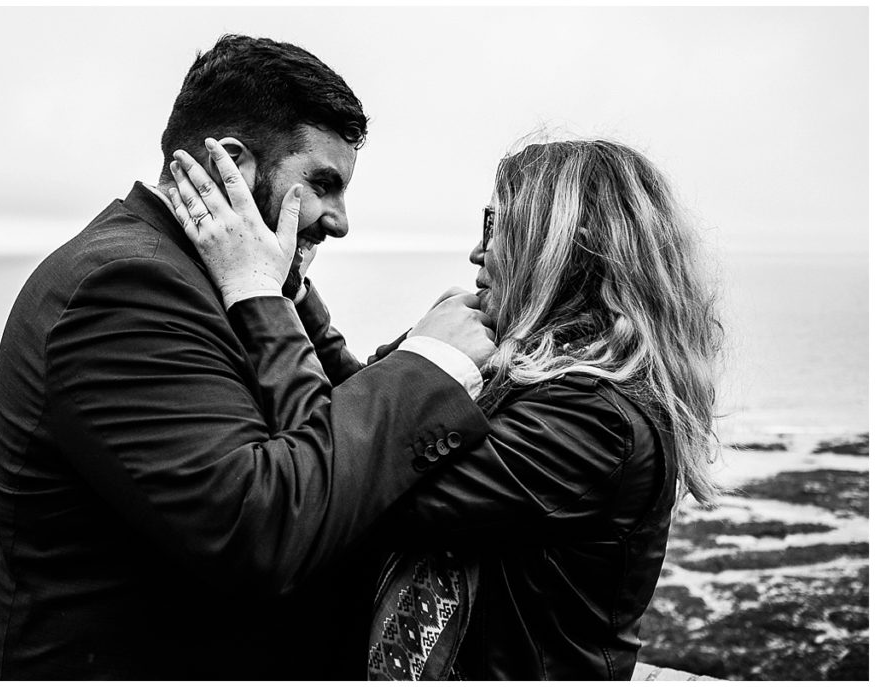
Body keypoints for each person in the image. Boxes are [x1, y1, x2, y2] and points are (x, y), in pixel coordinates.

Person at [0, 35, 497, 680]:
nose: (339, 221)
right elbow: (262, 528)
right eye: (323, 183)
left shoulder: (199, 277)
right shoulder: (126, 289)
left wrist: (286, 293)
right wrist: (430, 368)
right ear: (231, 162)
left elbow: (321, 428)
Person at [169, 137, 722, 680]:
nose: (478, 252)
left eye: (497, 226)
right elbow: (372, 423)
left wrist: (257, 294)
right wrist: (294, 291)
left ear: (563, 251)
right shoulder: (522, 371)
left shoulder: (596, 421)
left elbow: (356, 476)